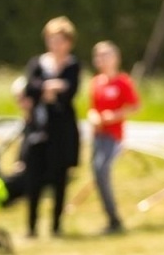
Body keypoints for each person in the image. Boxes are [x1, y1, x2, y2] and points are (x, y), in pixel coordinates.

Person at [17, 17, 81, 238]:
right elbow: (29, 89)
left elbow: (69, 92)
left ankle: (56, 226)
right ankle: (31, 227)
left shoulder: (72, 65)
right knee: (33, 178)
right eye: (51, 39)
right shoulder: (38, 63)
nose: (55, 44)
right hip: (37, 130)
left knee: (59, 179)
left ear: (68, 42)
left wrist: (45, 91)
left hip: (61, 132)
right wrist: (49, 88)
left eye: (60, 40)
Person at [85, 40, 140, 235]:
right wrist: (93, 116)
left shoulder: (123, 81)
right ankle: (111, 217)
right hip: (98, 135)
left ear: (115, 58)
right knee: (97, 174)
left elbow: (134, 105)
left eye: (105, 55)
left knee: (101, 170)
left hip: (113, 135)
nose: (101, 59)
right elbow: (92, 107)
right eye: (98, 56)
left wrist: (114, 115)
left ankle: (114, 219)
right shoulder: (96, 82)